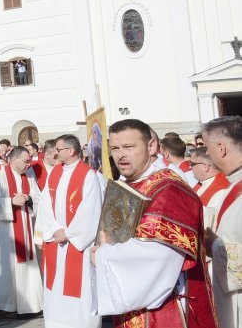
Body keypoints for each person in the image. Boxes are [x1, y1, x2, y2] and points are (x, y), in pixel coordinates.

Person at [93, 119, 218, 328]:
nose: (120, 154)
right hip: (134, 306)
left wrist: (101, 256)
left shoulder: (169, 190)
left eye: (129, 147)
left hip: (167, 310)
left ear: (151, 146)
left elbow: (156, 256)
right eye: (114, 148)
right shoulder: (131, 182)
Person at [36, 134, 102, 328]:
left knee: (79, 288)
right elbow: (45, 204)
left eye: (59, 149)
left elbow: (91, 209)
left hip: (76, 243)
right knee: (55, 287)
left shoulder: (88, 175)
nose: (55, 153)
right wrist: (55, 228)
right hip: (57, 239)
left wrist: (69, 233)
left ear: (71, 151)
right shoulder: (55, 173)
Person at [0, 147, 42, 322]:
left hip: (24, 229)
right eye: (26, 161)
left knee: (26, 268)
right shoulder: (0, 176)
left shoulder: (29, 176)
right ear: (14, 160)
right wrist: (11, 202)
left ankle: (28, 307)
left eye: (29, 161)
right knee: (3, 270)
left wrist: (29, 200)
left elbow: (38, 198)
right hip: (4, 233)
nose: (29, 164)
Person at [201, 116, 242, 328]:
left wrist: (214, 246)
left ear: (221, 147)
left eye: (207, 148)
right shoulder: (232, 186)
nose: (206, 154)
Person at [190, 146, 230, 230]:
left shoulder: (222, 190)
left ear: (205, 166)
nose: (190, 167)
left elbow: (211, 223)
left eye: (192, 164)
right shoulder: (201, 183)